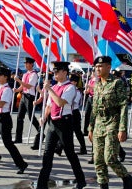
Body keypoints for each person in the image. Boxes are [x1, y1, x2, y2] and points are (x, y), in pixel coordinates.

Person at [36, 61, 86, 189]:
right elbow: (49, 105)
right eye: (54, 72)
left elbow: (60, 102)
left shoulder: (70, 87)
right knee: (47, 153)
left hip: (65, 122)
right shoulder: (54, 87)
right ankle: (42, 183)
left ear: (65, 72)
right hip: (53, 122)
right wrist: (44, 117)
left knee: (70, 153)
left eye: (57, 71)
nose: (55, 74)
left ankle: (81, 180)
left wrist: (49, 89)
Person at [88, 56, 132, 189]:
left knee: (110, 158)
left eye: (101, 66)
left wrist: (122, 128)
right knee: (98, 160)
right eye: (96, 66)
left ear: (109, 67)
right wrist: (90, 128)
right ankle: (103, 185)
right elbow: (94, 108)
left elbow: (123, 106)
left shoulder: (116, 83)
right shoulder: (96, 85)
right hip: (98, 124)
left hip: (112, 122)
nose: (98, 69)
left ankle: (127, 178)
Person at [54, 73, 87, 156]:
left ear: (75, 82)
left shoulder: (77, 91)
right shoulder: (68, 88)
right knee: (66, 132)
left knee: (77, 132)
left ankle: (83, 148)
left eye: (72, 81)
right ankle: (59, 148)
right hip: (69, 112)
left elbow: (73, 102)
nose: (70, 82)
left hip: (74, 112)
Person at [14, 57, 41, 150]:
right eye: (25, 63)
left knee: (31, 116)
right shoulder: (25, 74)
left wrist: (18, 80)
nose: (25, 65)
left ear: (31, 64)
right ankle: (18, 138)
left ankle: (40, 132)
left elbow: (29, 85)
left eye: (27, 63)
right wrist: (17, 89)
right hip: (24, 95)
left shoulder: (34, 74)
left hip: (30, 96)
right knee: (19, 117)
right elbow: (23, 85)